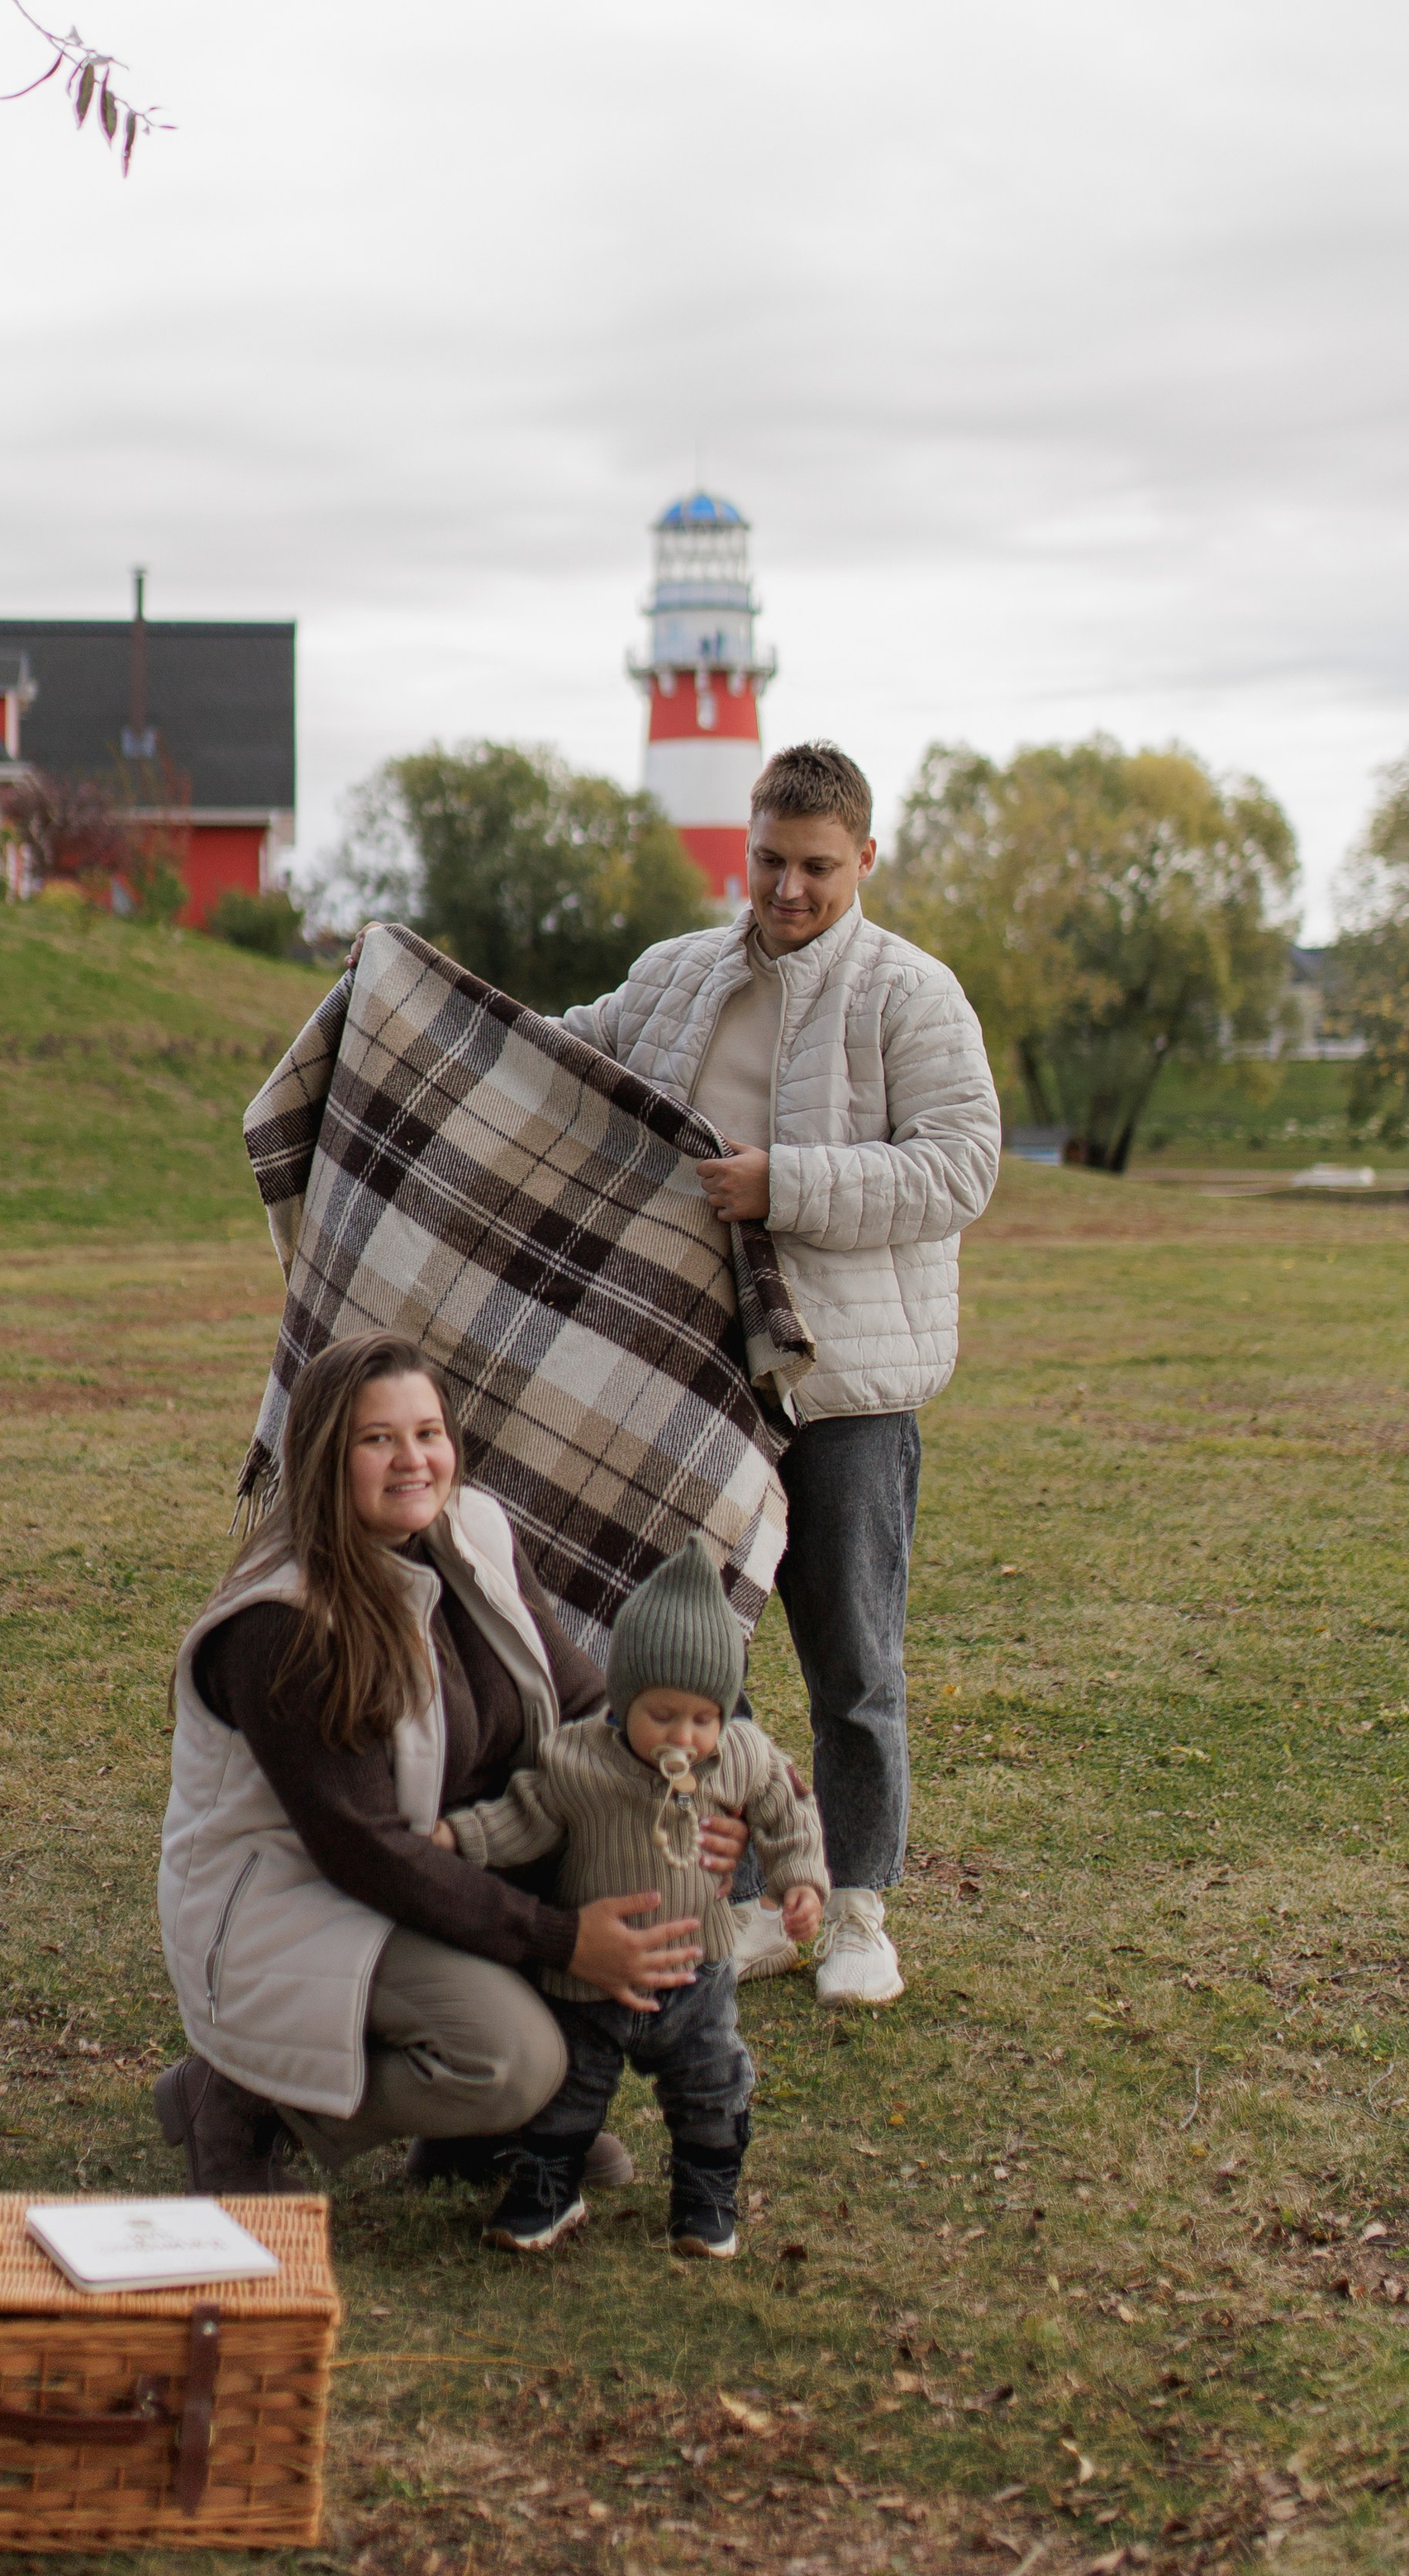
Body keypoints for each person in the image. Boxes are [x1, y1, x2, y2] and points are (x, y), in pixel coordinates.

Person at [560, 741, 1000, 2008]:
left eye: (816, 867)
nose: (789, 889)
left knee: (853, 1665)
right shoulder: (676, 977)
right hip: (694, 1381)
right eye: (768, 861)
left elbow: (962, 1166)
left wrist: (784, 1186)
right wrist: (414, 1007)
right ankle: (752, 1901)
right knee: (711, 1664)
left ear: (866, 859)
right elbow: (562, 1056)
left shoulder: (914, 995)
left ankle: (857, 1907)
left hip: (850, 1387)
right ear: (742, 850)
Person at [153, 1330, 750, 2191]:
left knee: (638, 1876)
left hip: (443, 1856)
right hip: (300, 1902)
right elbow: (364, 1849)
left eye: (428, 1432)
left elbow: (581, 1705)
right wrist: (560, 1937)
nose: (413, 1460)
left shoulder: (474, 1527)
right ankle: (244, 2102)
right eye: (377, 1438)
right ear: (325, 1454)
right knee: (506, 2057)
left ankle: (487, 2135)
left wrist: (695, 1798)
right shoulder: (283, 1622)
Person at [435, 1537, 827, 2260]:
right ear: (623, 1698)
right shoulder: (580, 1759)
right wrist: (459, 1837)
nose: (684, 1734)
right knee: (570, 2086)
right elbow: (525, 1813)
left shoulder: (740, 1755)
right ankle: (550, 2183)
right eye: (663, 1714)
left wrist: (798, 1879)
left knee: (712, 2083)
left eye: (703, 1717)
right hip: (590, 1977)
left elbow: (786, 1806)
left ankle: (705, 2195)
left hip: (696, 1969)